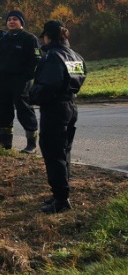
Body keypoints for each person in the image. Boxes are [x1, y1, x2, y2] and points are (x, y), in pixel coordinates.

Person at [30, 20, 86, 213]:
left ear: (48, 37)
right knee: (64, 151)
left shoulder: (53, 56)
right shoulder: (75, 56)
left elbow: (49, 85)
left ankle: (61, 200)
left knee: (53, 152)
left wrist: (32, 95)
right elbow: (80, 77)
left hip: (54, 108)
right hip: (70, 105)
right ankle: (61, 194)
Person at [0, 10, 42, 153]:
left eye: (15, 19)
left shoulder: (29, 38)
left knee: (24, 109)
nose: (11, 22)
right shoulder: (2, 39)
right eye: (9, 20)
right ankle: (4, 142)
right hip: (2, 82)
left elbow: (36, 59)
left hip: (21, 81)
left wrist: (26, 76)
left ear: (21, 22)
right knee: (3, 110)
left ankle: (31, 144)